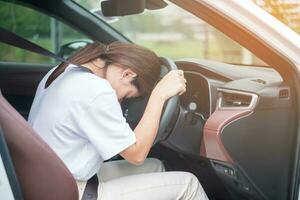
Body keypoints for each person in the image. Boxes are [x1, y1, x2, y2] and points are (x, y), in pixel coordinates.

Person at [28, 41, 209, 200]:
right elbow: (136, 155)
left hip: (46, 181)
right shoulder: (97, 90)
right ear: (128, 74)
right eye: (128, 95)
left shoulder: (63, 71)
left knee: (155, 166)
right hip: (70, 191)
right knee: (189, 185)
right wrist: (159, 96)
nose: (120, 102)